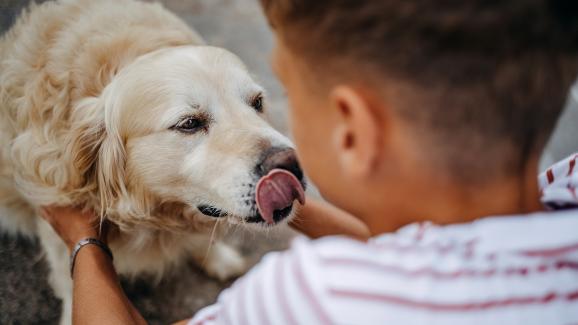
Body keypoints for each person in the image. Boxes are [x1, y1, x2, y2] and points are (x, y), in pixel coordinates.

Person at [39, 0, 578, 324]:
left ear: (353, 128)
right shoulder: (566, 188)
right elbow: (428, 247)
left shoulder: (322, 293)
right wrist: (290, 203)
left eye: (265, 101)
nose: (266, 140)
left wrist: (83, 241)